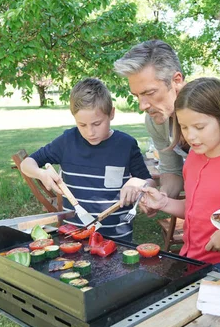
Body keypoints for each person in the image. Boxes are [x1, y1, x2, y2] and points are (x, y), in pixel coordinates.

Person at [114, 39, 220, 296]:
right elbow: (173, 173)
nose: (142, 105)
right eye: (137, 96)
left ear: (176, 80)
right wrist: (161, 199)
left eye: (148, 93)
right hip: (199, 249)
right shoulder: (163, 127)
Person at [20, 77, 156, 241]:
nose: (90, 132)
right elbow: (26, 164)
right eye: (82, 125)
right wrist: (40, 174)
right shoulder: (67, 141)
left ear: (111, 113)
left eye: (97, 124)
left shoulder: (126, 145)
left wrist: (139, 183)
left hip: (117, 239)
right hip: (74, 237)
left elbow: (149, 181)